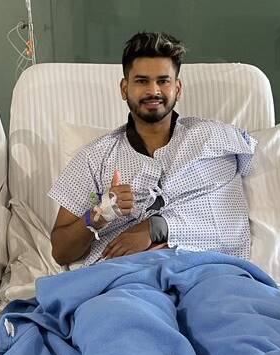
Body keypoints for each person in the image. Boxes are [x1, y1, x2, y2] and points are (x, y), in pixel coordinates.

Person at [49, 31, 257, 266]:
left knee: (242, 292)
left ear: (177, 88)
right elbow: (61, 252)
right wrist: (101, 212)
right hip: (125, 275)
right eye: (141, 81)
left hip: (206, 270)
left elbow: (228, 222)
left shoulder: (214, 140)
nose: (153, 91)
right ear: (124, 88)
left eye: (163, 81)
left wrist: (155, 228)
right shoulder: (95, 158)